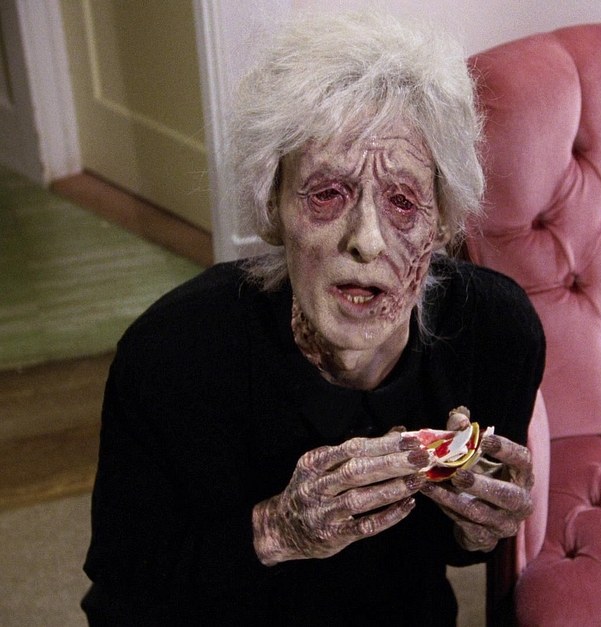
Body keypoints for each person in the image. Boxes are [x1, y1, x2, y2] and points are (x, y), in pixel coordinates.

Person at [81, 11, 545, 626]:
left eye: (403, 201)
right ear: (273, 207)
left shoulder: (496, 333)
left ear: (444, 222)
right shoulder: (170, 356)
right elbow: (122, 596)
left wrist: (479, 527)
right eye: (327, 193)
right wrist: (275, 530)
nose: (367, 240)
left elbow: (455, 556)